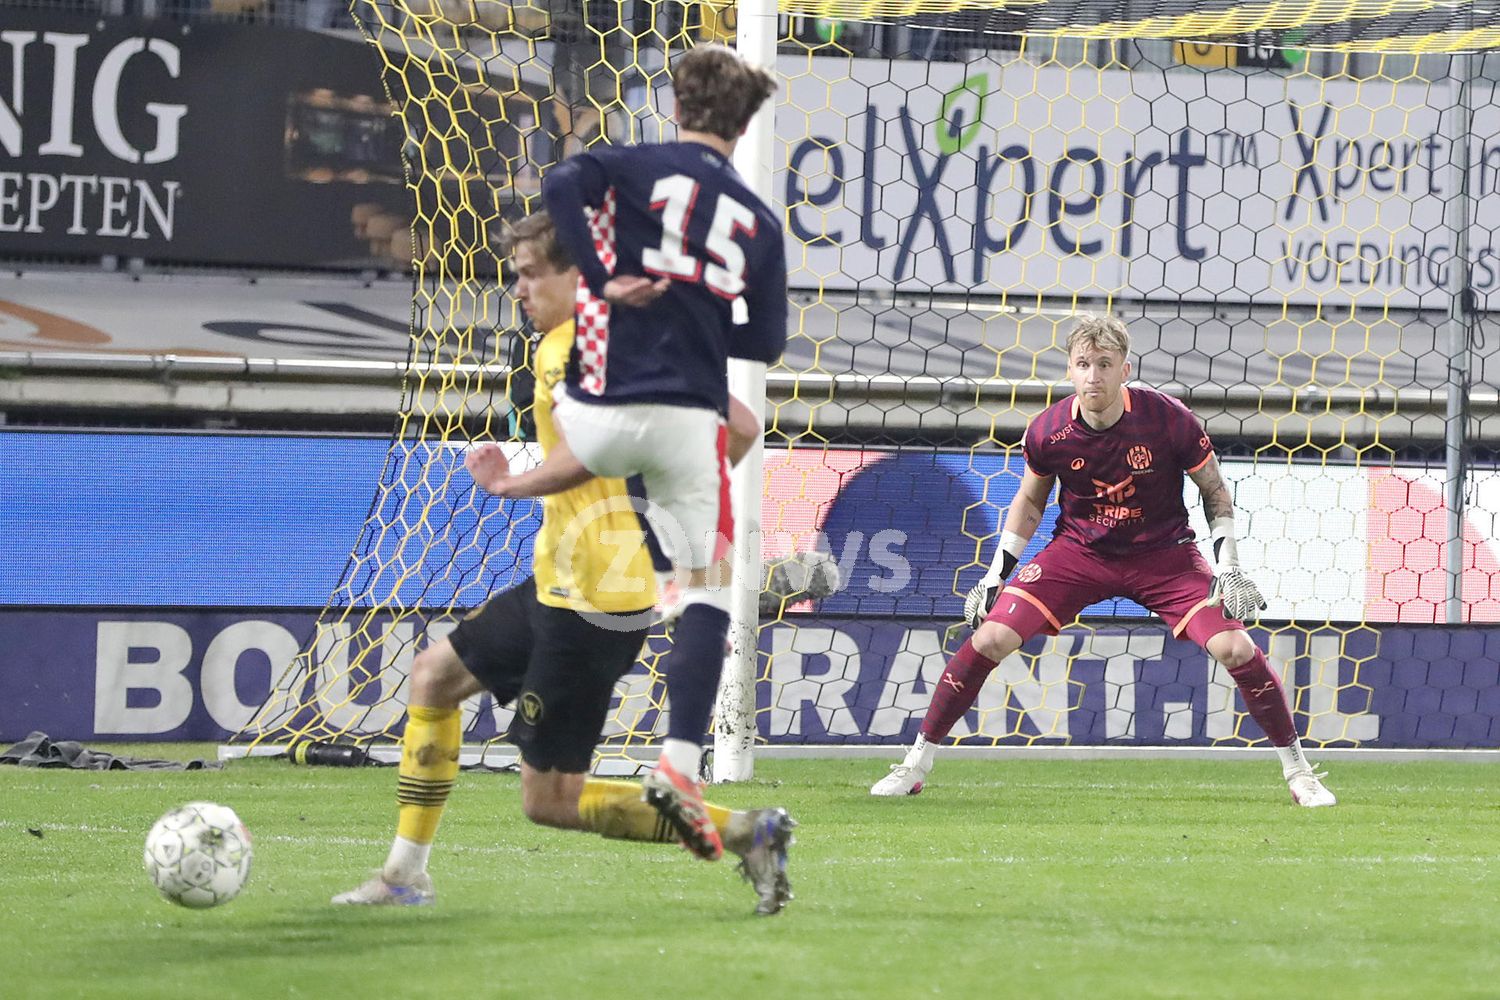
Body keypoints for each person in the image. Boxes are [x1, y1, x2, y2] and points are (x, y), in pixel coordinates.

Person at [333, 211, 795, 916]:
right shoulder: (644, 337)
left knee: (549, 801)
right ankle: (403, 875)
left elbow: (589, 454)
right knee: (434, 675)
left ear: (579, 274)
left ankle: (747, 832)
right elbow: (741, 425)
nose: (518, 289)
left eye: (529, 274)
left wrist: (508, 484)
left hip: (590, 602)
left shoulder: (569, 350)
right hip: (571, 580)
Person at [871, 315, 1337, 808]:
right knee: (989, 638)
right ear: (1070, 370)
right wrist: (995, 574)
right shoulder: (1048, 431)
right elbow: (1029, 502)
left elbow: (1215, 490)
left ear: (1125, 370)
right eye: (1083, 364)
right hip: (1080, 553)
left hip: (1164, 556)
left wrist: (1228, 565)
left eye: (1104, 364)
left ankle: (1299, 772)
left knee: (1236, 648)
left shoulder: (1167, 418)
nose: (1093, 375)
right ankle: (914, 764)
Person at [539, 43, 787, 860]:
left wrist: (605, 275)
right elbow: (767, 343)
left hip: (594, 414)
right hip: (687, 422)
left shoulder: (630, 165)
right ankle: (681, 763)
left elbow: (561, 183)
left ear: (676, 106)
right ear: (744, 127)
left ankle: (598, 537)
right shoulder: (757, 221)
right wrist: (701, 319)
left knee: (574, 418)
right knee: (710, 592)